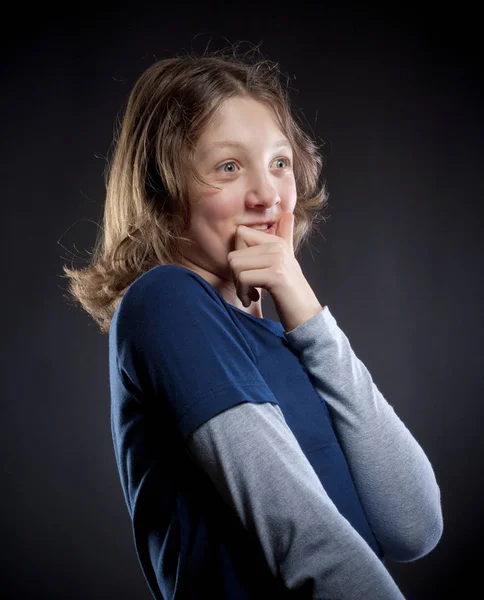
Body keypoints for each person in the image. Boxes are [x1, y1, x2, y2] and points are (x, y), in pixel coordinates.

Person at [62, 44, 443, 599]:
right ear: (163, 191)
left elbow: (414, 525)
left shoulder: (287, 338)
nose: (267, 195)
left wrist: (306, 312)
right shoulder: (163, 302)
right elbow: (307, 542)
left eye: (279, 163)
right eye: (229, 167)